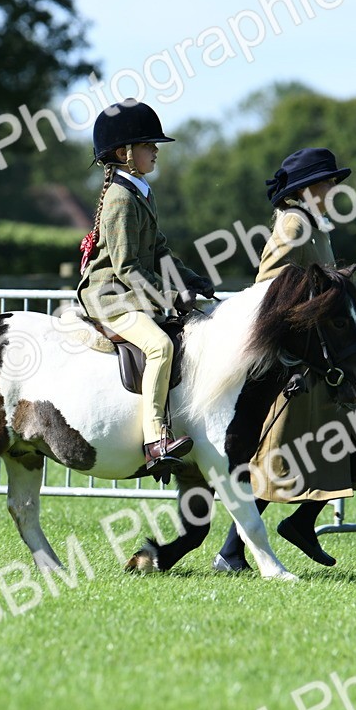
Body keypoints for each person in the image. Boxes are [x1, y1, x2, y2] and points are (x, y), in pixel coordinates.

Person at [213, 147, 356, 572]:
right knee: (280, 454)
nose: (333, 188)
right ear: (308, 187)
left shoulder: (314, 221)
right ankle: (232, 550)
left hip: (320, 354)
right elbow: (269, 285)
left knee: (343, 436)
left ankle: (295, 524)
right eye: (328, 182)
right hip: (300, 354)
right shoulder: (295, 222)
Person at [76, 99, 215, 474]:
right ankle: (156, 437)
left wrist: (189, 277)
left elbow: (159, 251)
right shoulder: (121, 199)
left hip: (129, 290)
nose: (155, 151)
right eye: (148, 145)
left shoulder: (139, 190)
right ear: (124, 153)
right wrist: (170, 295)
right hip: (110, 297)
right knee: (160, 346)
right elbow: (127, 268)